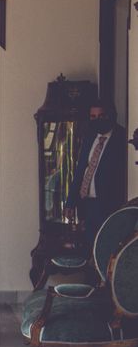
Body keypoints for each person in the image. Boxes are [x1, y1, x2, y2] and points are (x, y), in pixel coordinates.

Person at [64, 99, 128, 243]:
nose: (96, 120)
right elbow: (81, 170)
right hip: (86, 204)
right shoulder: (90, 136)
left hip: (109, 206)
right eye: (92, 116)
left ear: (111, 115)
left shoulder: (121, 138)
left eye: (101, 116)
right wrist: (70, 202)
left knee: (105, 247)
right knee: (86, 247)